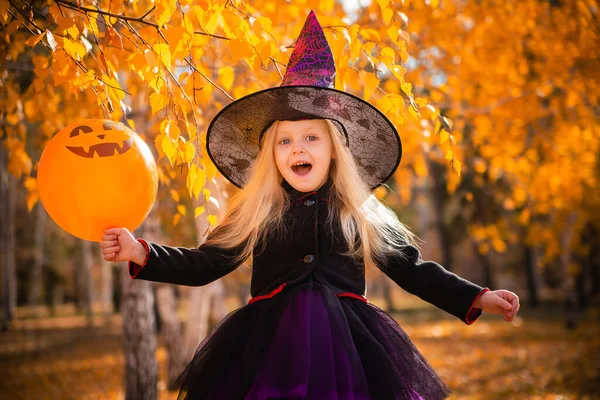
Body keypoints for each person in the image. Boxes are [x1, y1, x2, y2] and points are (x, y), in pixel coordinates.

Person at [101, 11, 520, 400]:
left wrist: (477, 297)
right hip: (269, 347)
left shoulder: (359, 212)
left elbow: (413, 270)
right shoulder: (259, 210)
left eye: (311, 138)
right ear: (272, 154)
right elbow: (205, 263)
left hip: (348, 347)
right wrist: (142, 252)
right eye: (285, 140)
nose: (297, 148)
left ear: (334, 150)